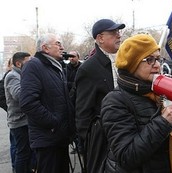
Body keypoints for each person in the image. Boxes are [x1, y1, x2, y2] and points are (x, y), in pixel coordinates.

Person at [101, 33, 172, 172]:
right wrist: (164, 122)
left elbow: (155, 141)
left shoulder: (154, 93)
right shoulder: (115, 101)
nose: (157, 65)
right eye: (149, 59)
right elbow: (126, 156)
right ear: (132, 64)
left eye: (158, 59)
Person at [74, 18, 125, 172]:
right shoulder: (88, 68)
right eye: (114, 32)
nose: (119, 36)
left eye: (119, 32)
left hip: (125, 135)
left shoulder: (124, 62)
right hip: (104, 141)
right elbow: (83, 113)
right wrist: (90, 144)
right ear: (100, 38)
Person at [20, 33, 75, 173]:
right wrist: (54, 123)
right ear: (45, 48)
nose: (62, 47)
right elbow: (28, 103)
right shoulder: (33, 66)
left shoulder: (55, 67)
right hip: (48, 139)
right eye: (58, 43)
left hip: (59, 137)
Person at [5, 52, 32, 173]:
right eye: (28, 61)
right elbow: (19, 95)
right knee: (22, 153)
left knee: (27, 152)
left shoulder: (21, 74)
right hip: (19, 122)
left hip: (25, 120)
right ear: (18, 63)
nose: (31, 64)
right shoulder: (13, 76)